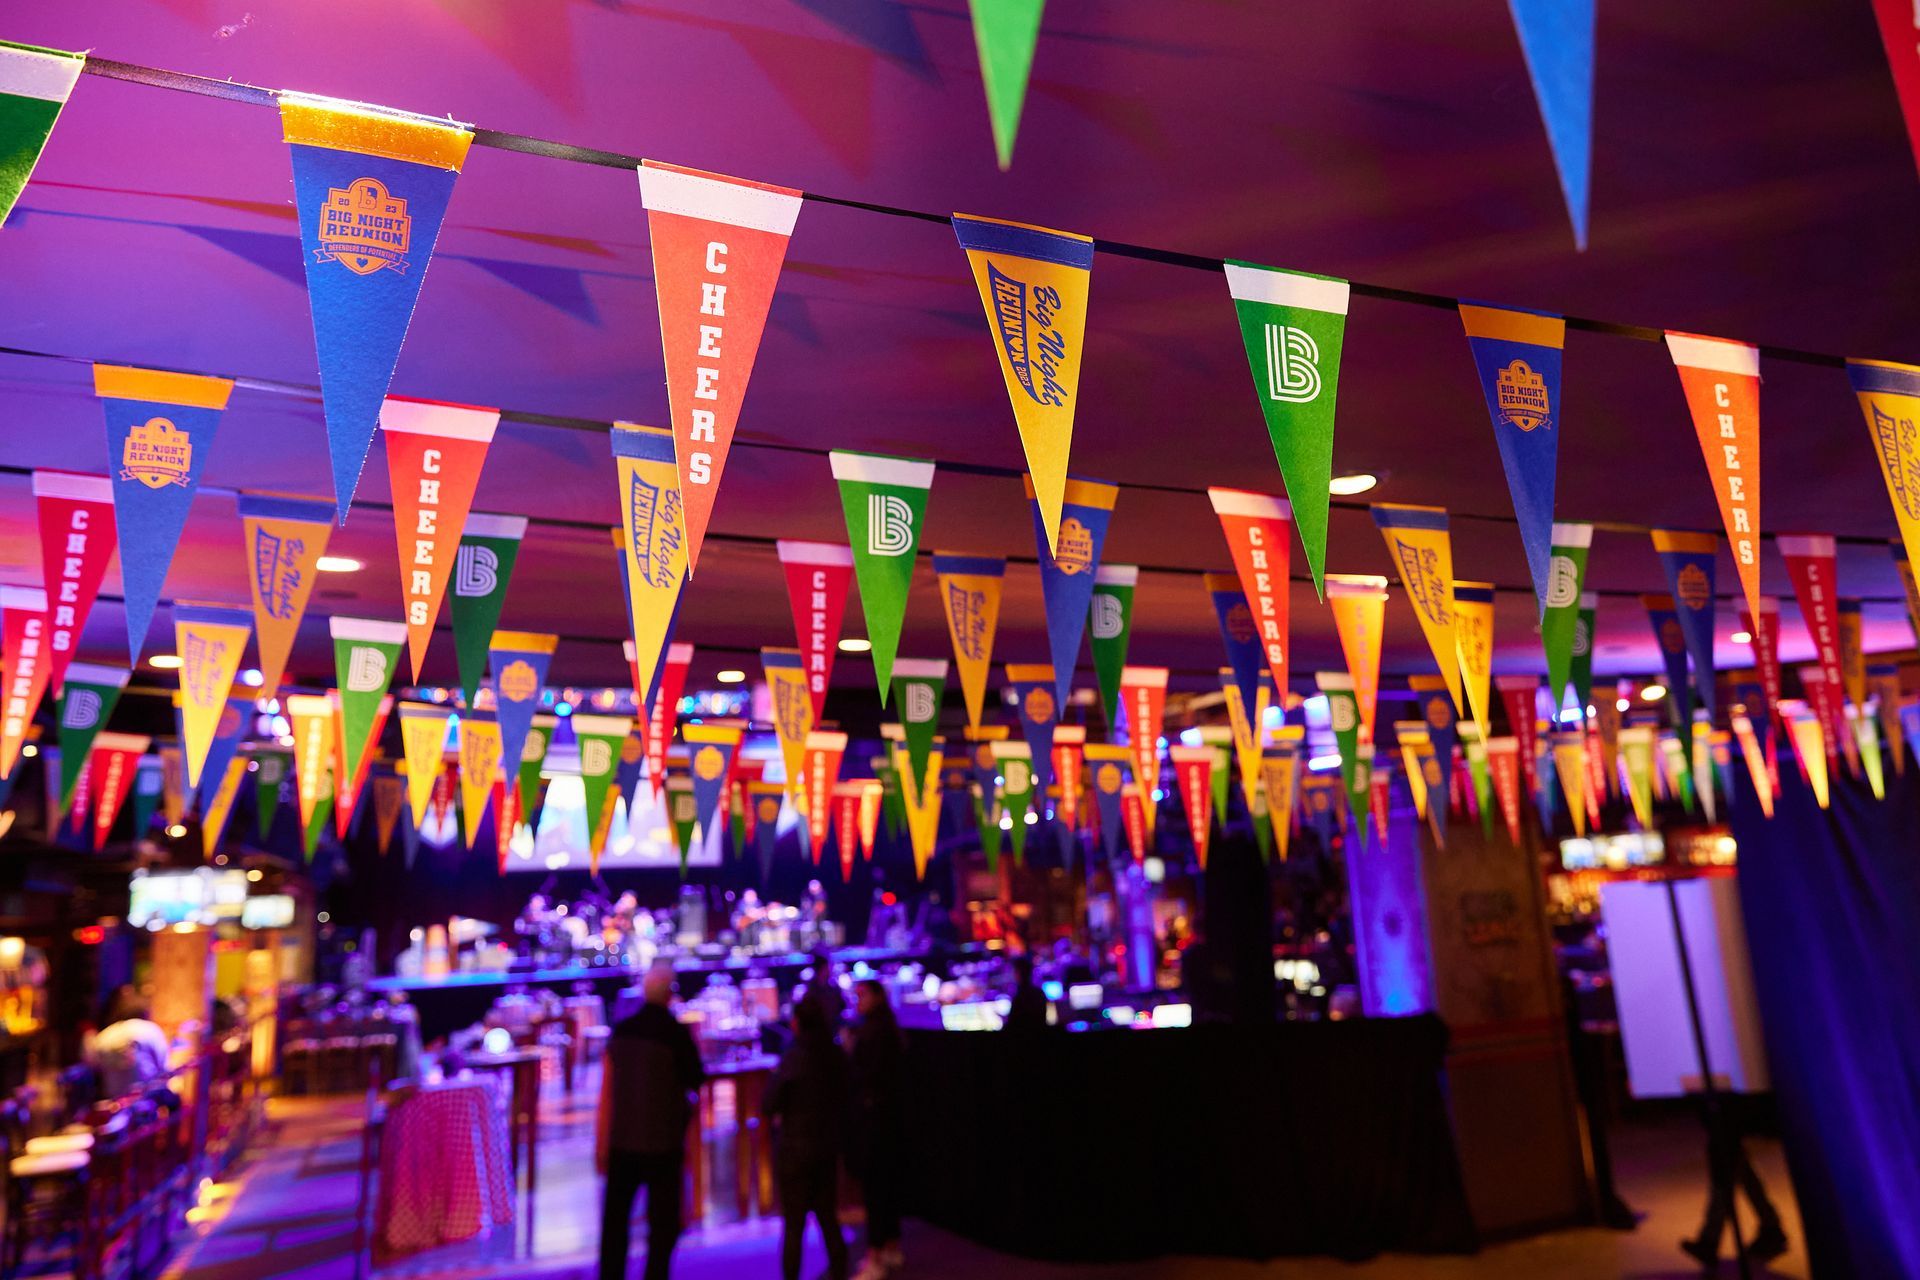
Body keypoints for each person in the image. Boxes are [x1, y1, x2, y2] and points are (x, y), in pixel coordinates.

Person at [597, 962, 706, 1280]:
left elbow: (607, 1091)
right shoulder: (675, 1034)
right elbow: (696, 1079)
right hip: (663, 1141)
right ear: (671, 993)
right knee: (663, 1224)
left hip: (622, 1139)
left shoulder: (622, 1031)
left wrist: (602, 1140)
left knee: (615, 1223)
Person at [764, 997, 851, 1280]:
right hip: (827, 1146)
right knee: (828, 1217)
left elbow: (769, 1103)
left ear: (796, 1023)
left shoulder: (793, 1057)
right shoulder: (835, 1055)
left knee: (794, 1225)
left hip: (794, 1150)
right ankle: (840, 1273)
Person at [1682, 1096, 1788, 1267]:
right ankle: (1770, 1227)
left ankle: (1710, 1239)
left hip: (1732, 1106)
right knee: (1735, 1163)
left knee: (1725, 1160)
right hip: (1736, 1105)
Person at [846, 981, 906, 1278]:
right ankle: (891, 1247)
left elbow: (862, 1075)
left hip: (874, 1119)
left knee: (876, 1187)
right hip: (890, 1117)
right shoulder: (888, 1027)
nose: (857, 1001)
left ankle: (876, 1255)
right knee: (888, 1183)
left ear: (877, 997)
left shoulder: (871, 1032)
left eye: (861, 995)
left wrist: (849, 1052)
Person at [87, 987, 176, 1106]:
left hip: (113, 1103)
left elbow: (95, 1069)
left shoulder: (105, 1035)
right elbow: (163, 1066)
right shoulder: (149, 1029)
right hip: (146, 1101)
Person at [1002, 954, 1050, 1034]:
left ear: (1018, 973)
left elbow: (1013, 1025)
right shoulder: (1040, 993)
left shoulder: (1020, 996)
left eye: (1014, 971)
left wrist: (1003, 1020)